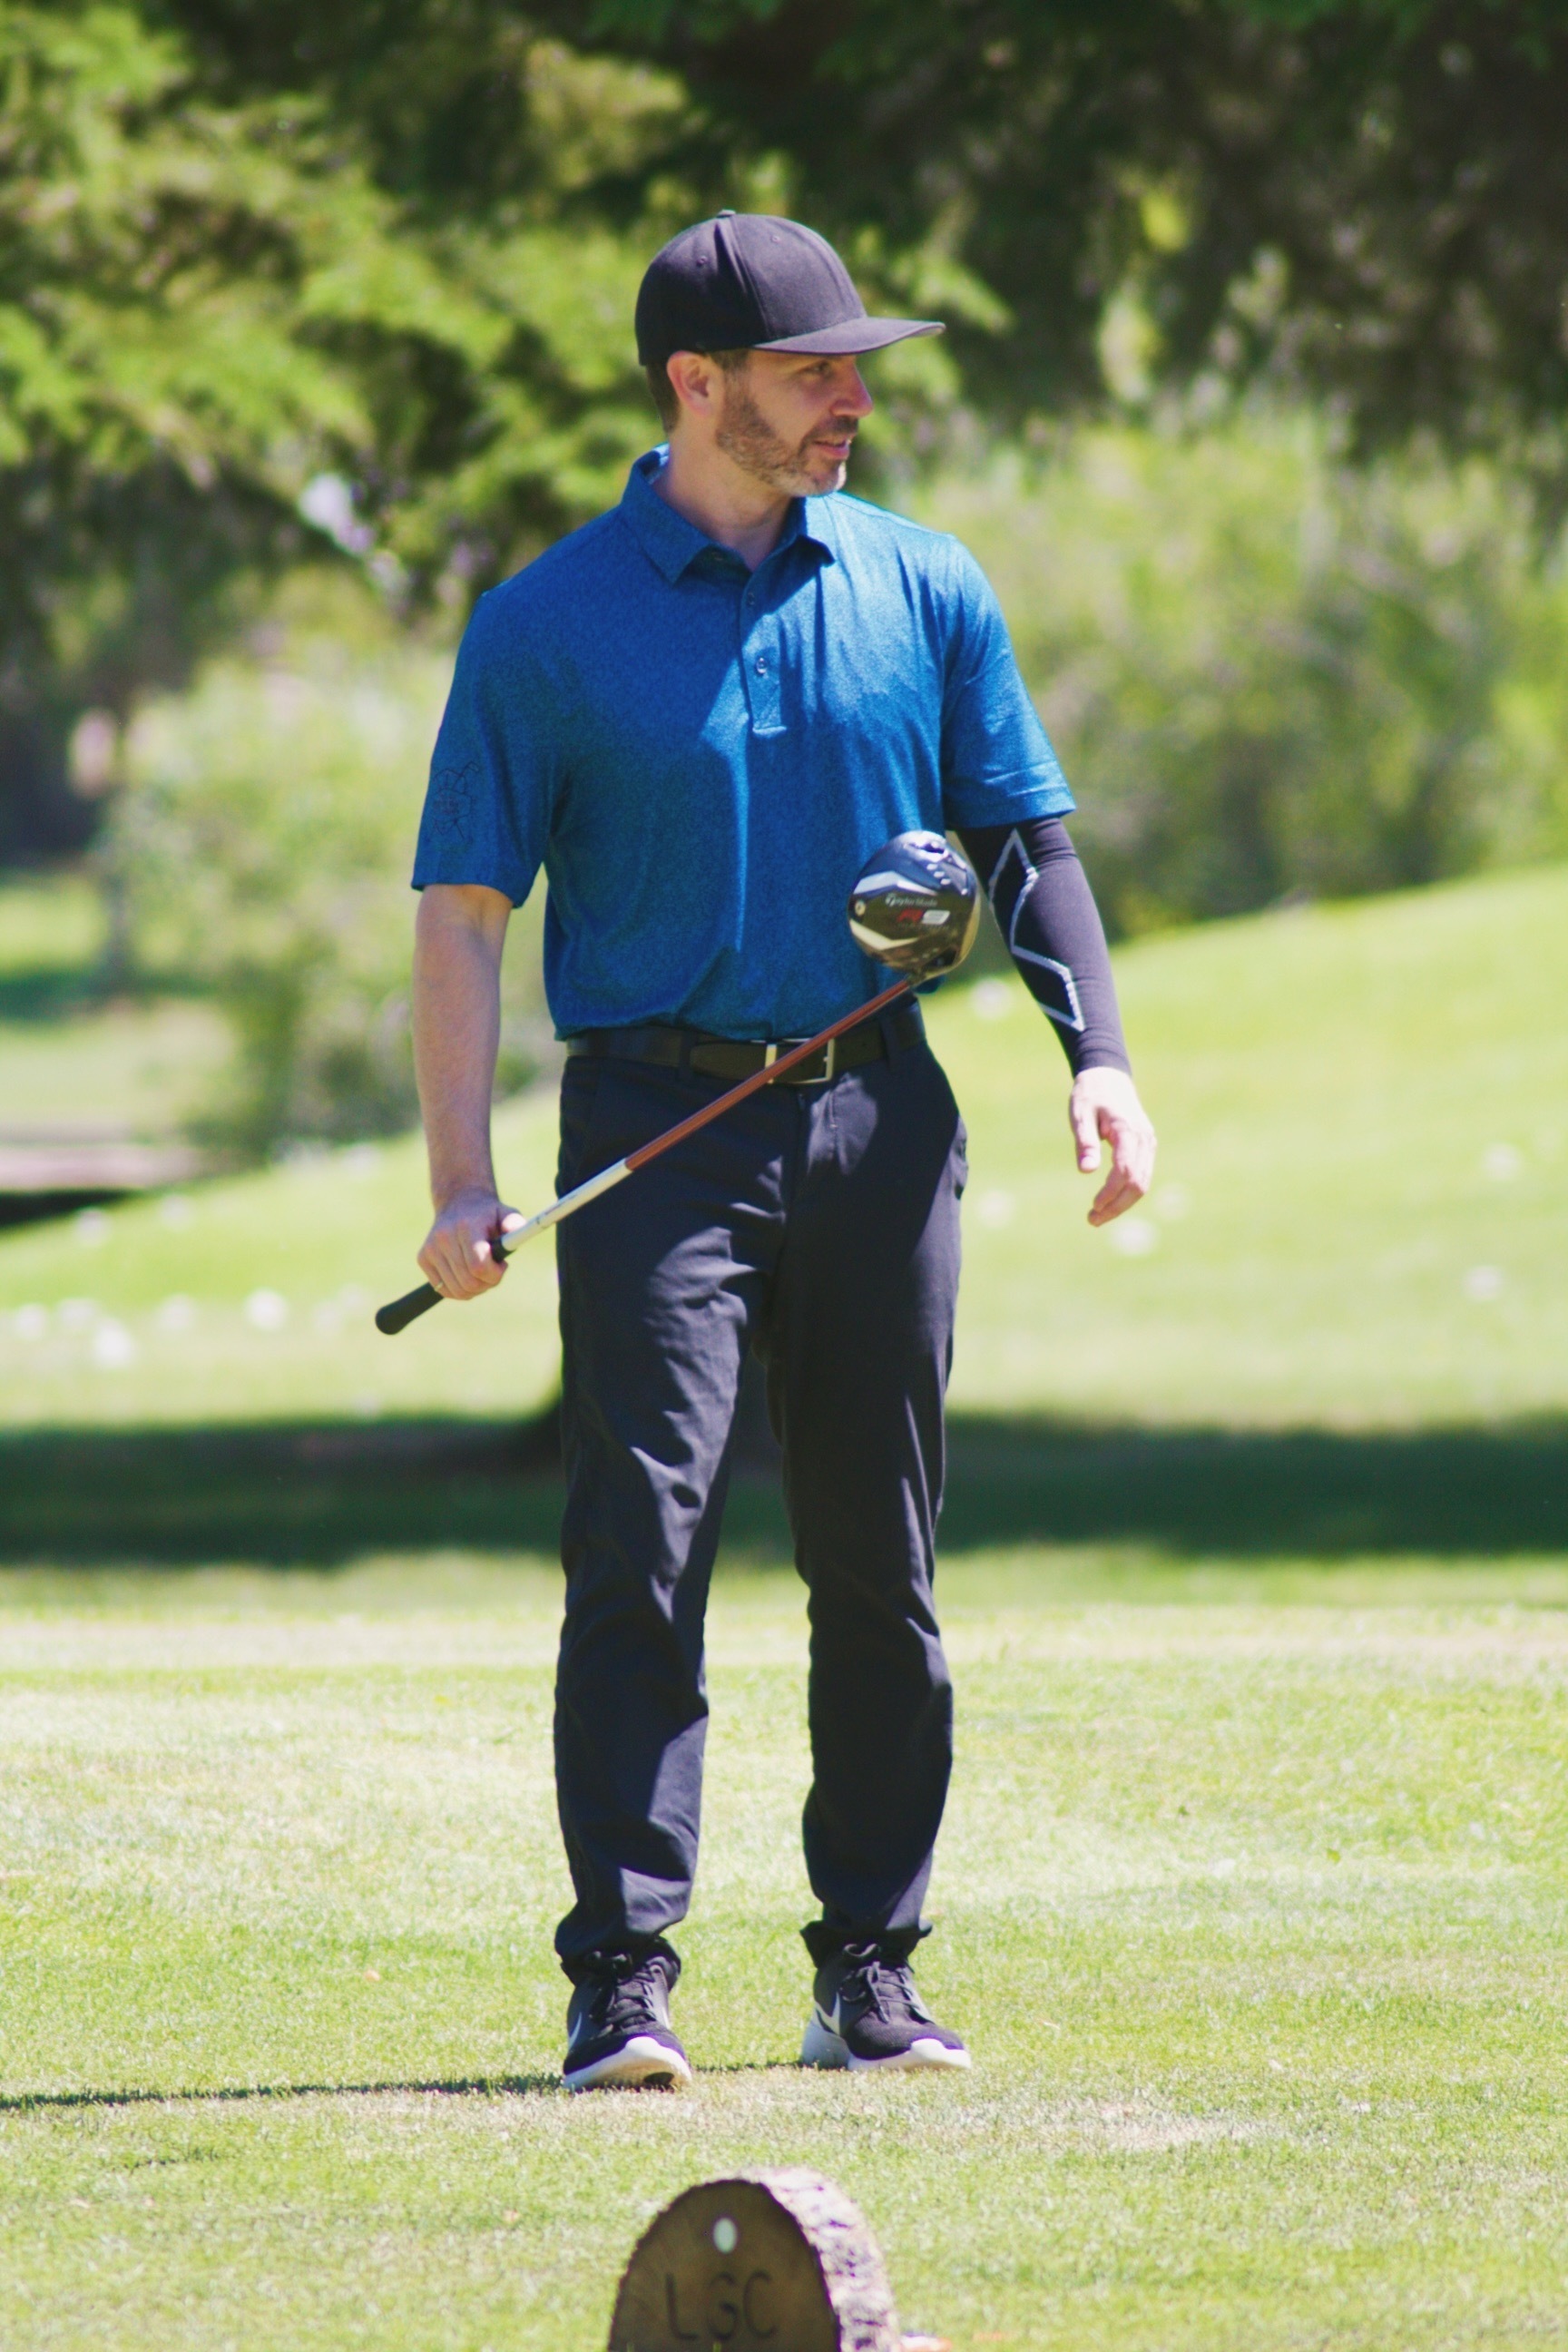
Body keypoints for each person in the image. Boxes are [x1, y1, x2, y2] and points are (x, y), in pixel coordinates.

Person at [408, 211, 1156, 2091]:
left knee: (879, 1563)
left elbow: (1026, 842)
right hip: (653, 1126)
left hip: (879, 1115)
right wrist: (455, 1178)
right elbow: (466, 912)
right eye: (814, 370)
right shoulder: (544, 626)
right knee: (640, 1549)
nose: (851, 401)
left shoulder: (924, 584)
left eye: (856, 370)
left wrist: (1101, 1061)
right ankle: (621, 1983)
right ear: (697, 384)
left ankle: (869, 1974)